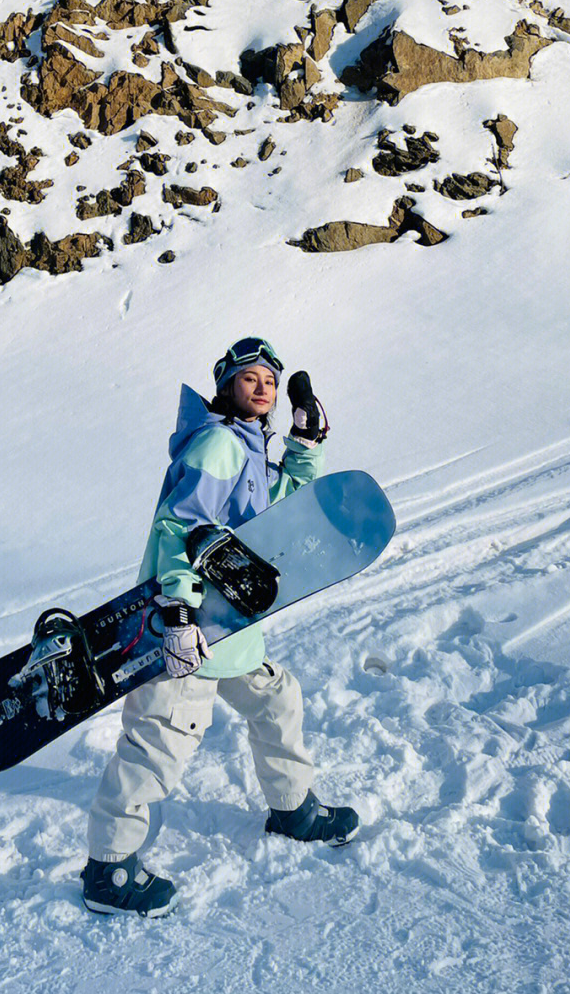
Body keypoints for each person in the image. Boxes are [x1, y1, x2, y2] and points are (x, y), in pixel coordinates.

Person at [81, 337, 358, 917]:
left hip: (230, 622)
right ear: (227, 384)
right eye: (250, 377)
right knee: (161, 737)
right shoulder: (218, 445)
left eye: (271, 381)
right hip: (191, 624)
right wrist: (178, 612)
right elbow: (178, 525)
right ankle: (108, 869)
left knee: (276, 699)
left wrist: (304, 447)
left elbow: (281, 513)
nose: (263, 387)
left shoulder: (250, 448)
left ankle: (292, 809)